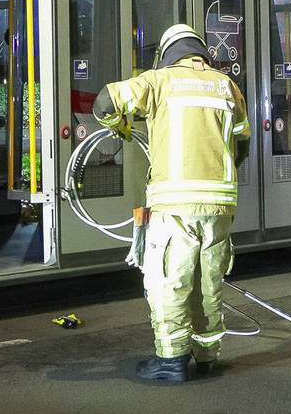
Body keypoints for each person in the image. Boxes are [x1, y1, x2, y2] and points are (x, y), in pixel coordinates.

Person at [94, 23, 250, 382]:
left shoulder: (158, 80)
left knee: (169, 280)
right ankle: (207, 354)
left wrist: (120, 125)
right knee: (208, 282)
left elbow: (105, 101)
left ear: (167, 52)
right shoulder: (226, 85)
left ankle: (171, 360)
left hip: (176, 204)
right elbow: (242, 138)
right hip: (220, 206)